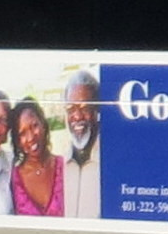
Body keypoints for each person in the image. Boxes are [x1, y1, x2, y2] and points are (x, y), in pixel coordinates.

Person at [10, 97, 64, 217]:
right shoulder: (13, 179)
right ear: (17, 141)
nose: (30, 137)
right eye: (22, 133)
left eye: (34, 126)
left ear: (43, 125)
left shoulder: (64, 167)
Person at [60, 68, 102, 219]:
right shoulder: (59, 166)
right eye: (71, 108)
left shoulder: (112, 165)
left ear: (98, 111)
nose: (77, 116)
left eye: (85, 108)